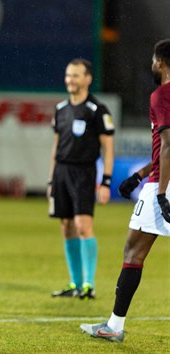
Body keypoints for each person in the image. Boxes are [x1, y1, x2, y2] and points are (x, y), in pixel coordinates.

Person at [81, 38, 170, 342]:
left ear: (161, 63)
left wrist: (159, 191)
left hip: (164, 185)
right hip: (157, 177)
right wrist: (139, 175)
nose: (151, 65)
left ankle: (114, 326)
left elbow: (169, 146)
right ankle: (114, 324)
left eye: (153, 60)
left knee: (133, 251)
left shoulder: (161, 95)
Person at [47, 58, 115, 300]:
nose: (70, 80)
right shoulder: (60, 109)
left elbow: (108, 148)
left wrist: (106, 181)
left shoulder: (97, 110)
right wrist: (50, 181)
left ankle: (89, 284)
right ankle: (75, 283)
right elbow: (56, 147)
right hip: (61, 173)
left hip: (84, 173)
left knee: (83, 226)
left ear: (88, 79)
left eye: (76, 75)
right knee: (66, 227)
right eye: (68, 75)